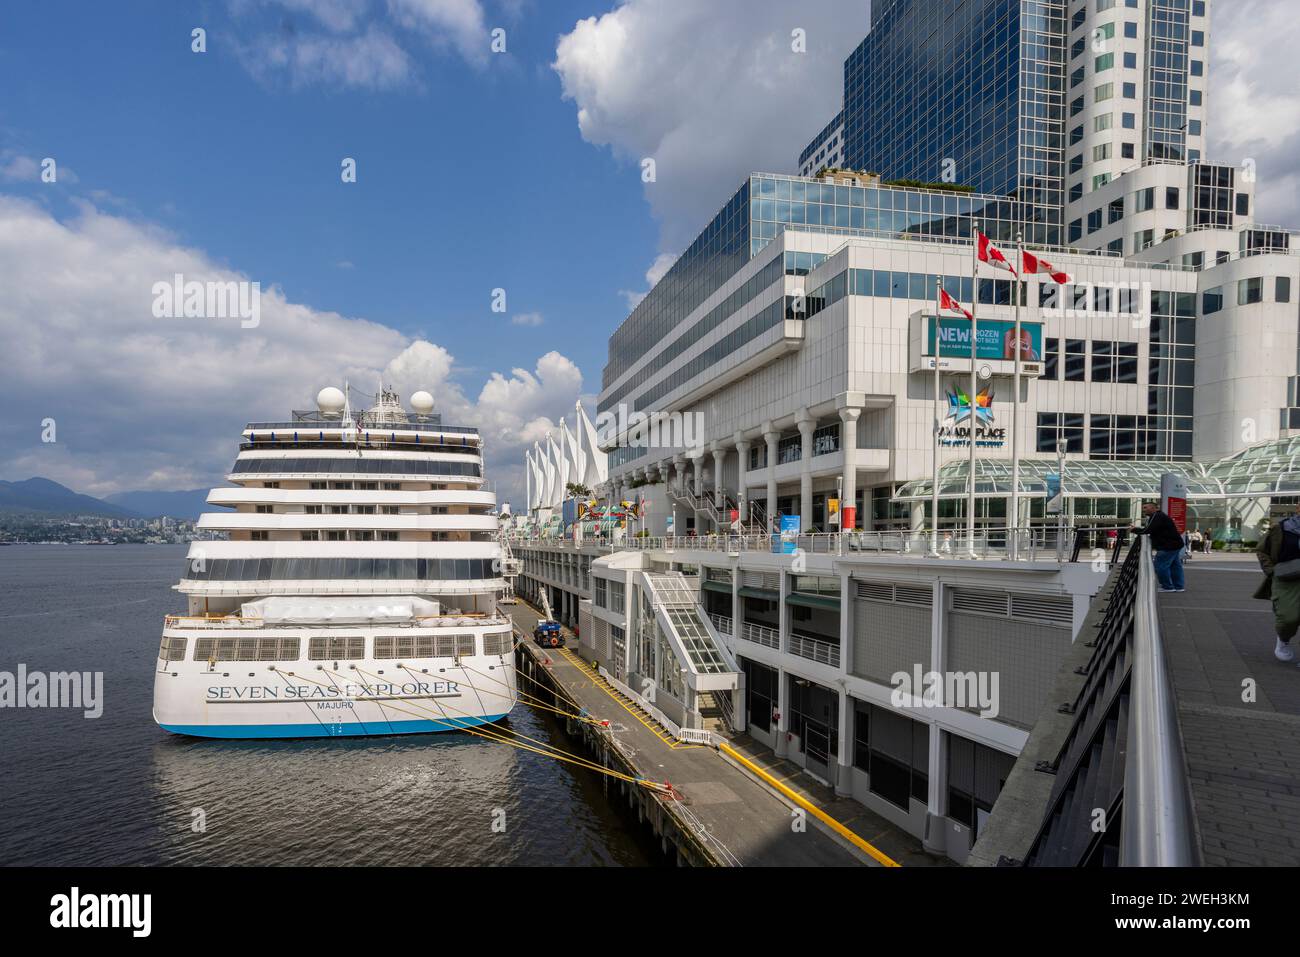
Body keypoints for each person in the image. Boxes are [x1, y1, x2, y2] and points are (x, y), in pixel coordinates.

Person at [1254, 512, 1300, 663]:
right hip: (1286, 578)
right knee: (1288, 618)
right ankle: (1284, 638)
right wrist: (1272, 571)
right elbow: (1262, 550)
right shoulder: (1281, 529)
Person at [1130, 500, 1185, 592]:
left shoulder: (1156, 516)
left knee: (1160, 566)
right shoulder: (1159, 516)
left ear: (1153, 508)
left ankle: (1167, 587)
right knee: (1175, 566)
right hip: (1175, 544)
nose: (1144, 510)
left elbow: (1148, 530)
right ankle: (1179, 587)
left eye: (1145, 508)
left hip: (1167, 546)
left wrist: (1134, 530)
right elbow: (1150, 529)